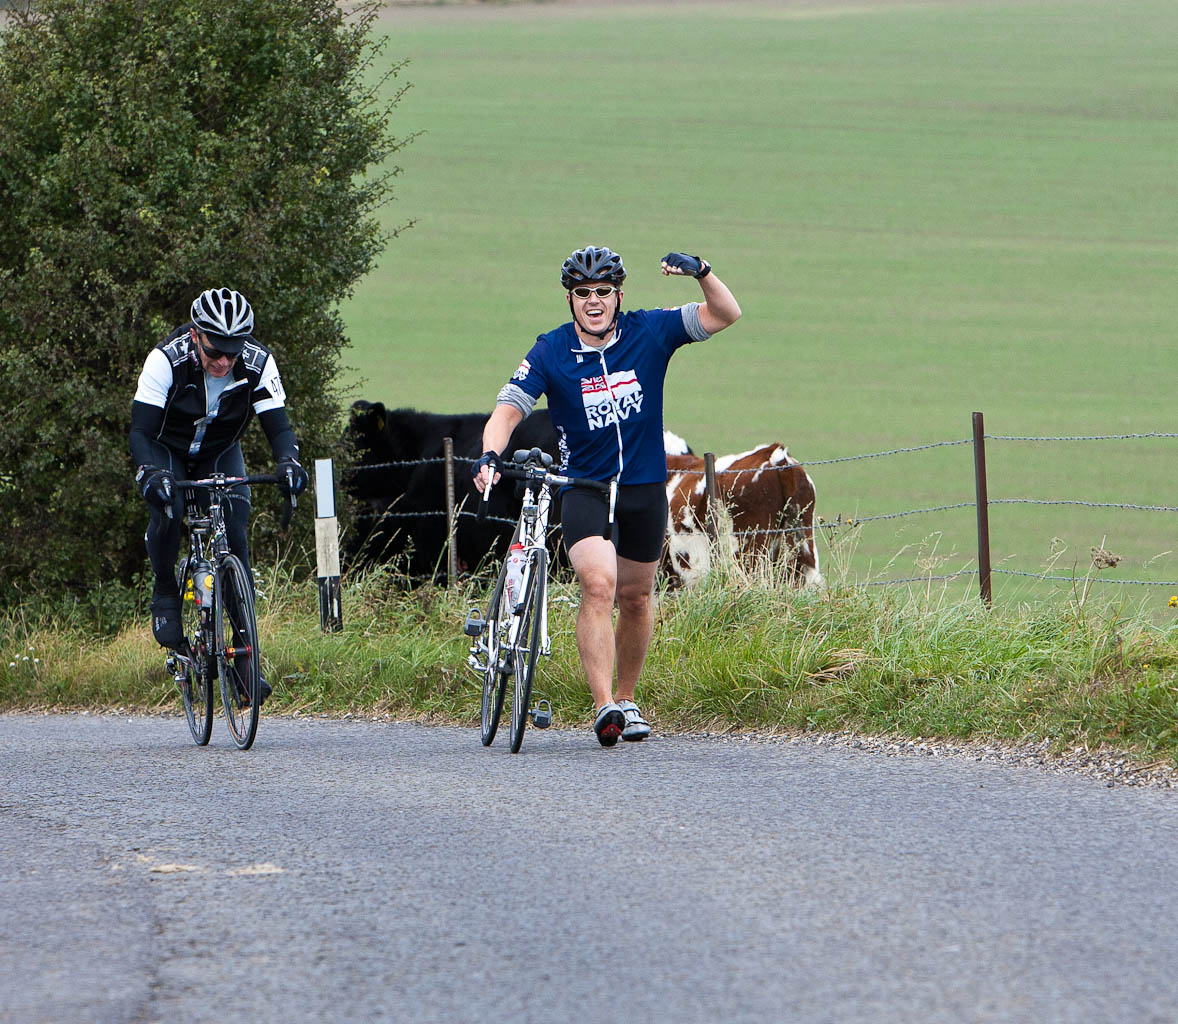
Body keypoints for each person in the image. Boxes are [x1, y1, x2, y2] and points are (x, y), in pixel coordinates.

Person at [473, 246, 741, 747]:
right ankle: (604, 706)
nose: (593, 302)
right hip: (585, 490)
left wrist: (701, 272)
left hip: (642, 490)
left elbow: (727, 313)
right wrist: (489, 455)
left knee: (636, 597)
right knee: (599, 585)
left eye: (602, 292)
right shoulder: (550, 350)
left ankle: (627, 696)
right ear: (569, 299)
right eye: (582, 294)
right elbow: (508, 409)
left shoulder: (650, 332)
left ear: (619, 295)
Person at [129, 287, 308, 703]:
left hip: (219, 450)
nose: (224, 361)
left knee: (237, 533)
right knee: (169, 511)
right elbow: (140, 431)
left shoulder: (258, 364)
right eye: (215, 351)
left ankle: (246, 662)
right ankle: (165, 591)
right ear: (196, 336)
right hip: (166, 449)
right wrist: (151, 474)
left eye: (233, 351)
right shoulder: (165, 360)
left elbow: (279, 429)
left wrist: (289, 464)